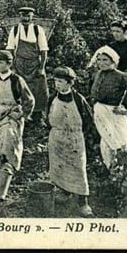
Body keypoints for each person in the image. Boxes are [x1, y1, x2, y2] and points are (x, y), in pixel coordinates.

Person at [0, 50, 35, 201]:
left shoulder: (16, 80)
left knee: (9, 142)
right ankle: (0, 175)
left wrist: (22, 115)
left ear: (9, 64)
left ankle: (8, 170)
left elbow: (29, 99)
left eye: (1, 62)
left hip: (12, 114)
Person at [46, 66, 94, 216]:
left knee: (78, 169)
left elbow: (88, 120)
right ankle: (65, 192)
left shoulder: (79, 100)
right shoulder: (52, 98)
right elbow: (47, 117)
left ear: (69, 83)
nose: (57, 84)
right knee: (59, 167)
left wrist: (79, 136)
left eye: (60, 81)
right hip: (57, 138)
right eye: (55, 81)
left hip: (74, 138)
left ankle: (83, 203)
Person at [88, 45, 127, 169]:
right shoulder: (96, 75)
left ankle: (125, 169)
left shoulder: (122, 77)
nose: (102, 63)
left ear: (113, 61)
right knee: (106, 143)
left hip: (114, 113)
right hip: (100, 112)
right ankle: (111, 170)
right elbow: (92, 91)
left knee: (119, 142)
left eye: (105, 60)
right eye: (99, 60)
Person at [6, 6, 49, 124]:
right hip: (19, 64)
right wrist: (12, 67)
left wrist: (41, 68)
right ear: (20, 17)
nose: (25, 18)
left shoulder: (37, 29)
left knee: (39, 89)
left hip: (34, 64)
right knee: (20, 89)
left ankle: (38, 116)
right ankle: (23, 115)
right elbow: (10, 49)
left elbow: (44, 50)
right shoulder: (14, 30)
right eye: (23, 16)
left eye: (28, 16)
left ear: (32, 17)